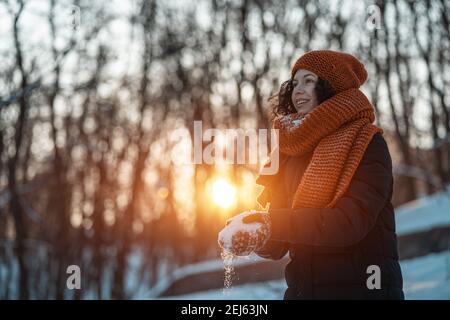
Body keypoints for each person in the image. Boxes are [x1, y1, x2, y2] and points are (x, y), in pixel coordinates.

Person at [238, 50, 404, 300]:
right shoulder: (289, 151)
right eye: (294, 83)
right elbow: (279, 241)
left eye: (309, 81)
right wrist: (256, 234)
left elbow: (349, 222)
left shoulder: (367, 142)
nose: (298, 90)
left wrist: (274, 223)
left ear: (331, 87)